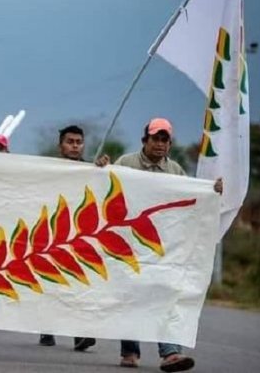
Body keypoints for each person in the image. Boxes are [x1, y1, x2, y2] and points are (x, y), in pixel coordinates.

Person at [112, 118, 222, 372]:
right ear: (145, 141)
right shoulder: (125, 164)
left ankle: (170, 353)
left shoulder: (175, 172)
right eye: (156, 139)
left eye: (165, 140)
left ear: (169, 144)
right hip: (128, 244)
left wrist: (212, 190)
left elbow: (192, 200)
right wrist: (101, 168)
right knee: (131, 297)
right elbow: (106, 187)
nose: (160, 144)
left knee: (166, 296)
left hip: (162, 247)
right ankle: (130, 350)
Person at [37, 125, 103, 352]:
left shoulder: (92, 169)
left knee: (78, 283)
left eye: (78, 142)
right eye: (70, 141)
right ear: (61, 145)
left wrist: (103, 170)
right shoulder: (49, 169)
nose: (75, 146)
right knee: (52, 282)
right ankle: (47, 327)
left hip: (79, 235)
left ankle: (80, 334)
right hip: (52, 234)